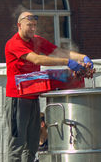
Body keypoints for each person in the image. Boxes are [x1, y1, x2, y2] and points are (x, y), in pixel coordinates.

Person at [5, 11, 93, 162]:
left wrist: (83, 57)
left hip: (32, 97)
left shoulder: (37, 40)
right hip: (17, 99)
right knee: (16, 147)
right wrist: (67, 62)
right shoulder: (14, 43)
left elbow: (59, 51)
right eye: (29, 25)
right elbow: (37, 59)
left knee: (32, 146)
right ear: (19, 25)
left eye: (34, 25)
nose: (33, 29)